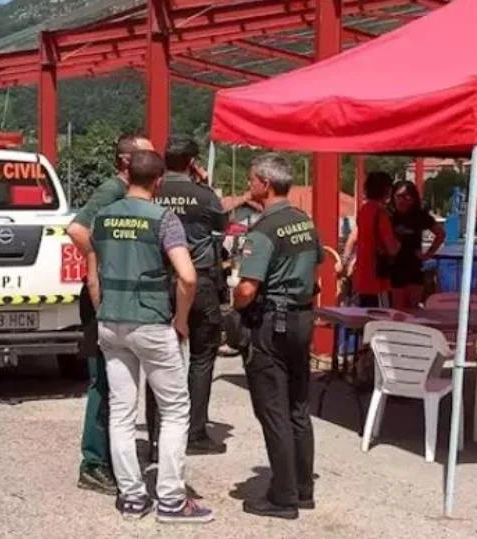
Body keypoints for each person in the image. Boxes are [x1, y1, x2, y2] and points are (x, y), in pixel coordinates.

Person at [88, 149, 214, 523]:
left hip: (111, 322)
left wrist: (102, 312)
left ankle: (131, 497)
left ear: (127, 177)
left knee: (121, 413)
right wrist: (181, 319)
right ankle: (172, 500)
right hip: (152, 322)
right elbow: (188, 277)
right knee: (175, 410)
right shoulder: (164, 219)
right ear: (158, 182)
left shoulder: (102, 218)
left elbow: (93, 278)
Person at [232, 153, 322, 520]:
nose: (249, 185)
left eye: (252, 179)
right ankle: (303, 488)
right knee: (298, 406)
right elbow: (317, 267)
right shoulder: (305, 222)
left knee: (273, 410)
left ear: (265, 183)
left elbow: (248, 289)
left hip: (271, 323)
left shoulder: (263, 230)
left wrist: (235, 305)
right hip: (302, 319)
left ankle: (282, 497)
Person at [66, 132, 154, 495]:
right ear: (126, 160)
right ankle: (94, 463)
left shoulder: (134, 194)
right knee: (104, 382)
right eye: (148, 155)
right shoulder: (111, 191)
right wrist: (101, 259)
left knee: (120, 383)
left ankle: (110, 459)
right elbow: (76, 228)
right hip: (104, 297)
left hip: (121, 297)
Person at [149, 134, 229, 457]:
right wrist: (205, 185)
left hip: (159, 281)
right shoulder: (204, 195)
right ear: (193, 163)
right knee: (201, 357)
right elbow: (223, 225)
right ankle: (195, 432)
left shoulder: (153, 192)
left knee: (158, 359)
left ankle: (156, 436)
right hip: (200, 281)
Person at [389, 181, 446, 309]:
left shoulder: (420, 216)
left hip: (414, 266)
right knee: (397, 309)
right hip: (393, 267)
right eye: (399, 196)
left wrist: (428, 254)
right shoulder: (389, 215)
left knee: (413, 309)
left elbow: (440, 233)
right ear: (393, 197)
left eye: (408, 196)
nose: (403, 200)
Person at [351, 171, 400, 307]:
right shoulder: (381, 212)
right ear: (386, 190)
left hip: (362, 275)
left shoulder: (364, 210)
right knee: (381, 321)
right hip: (378, 279)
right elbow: (391, 248)